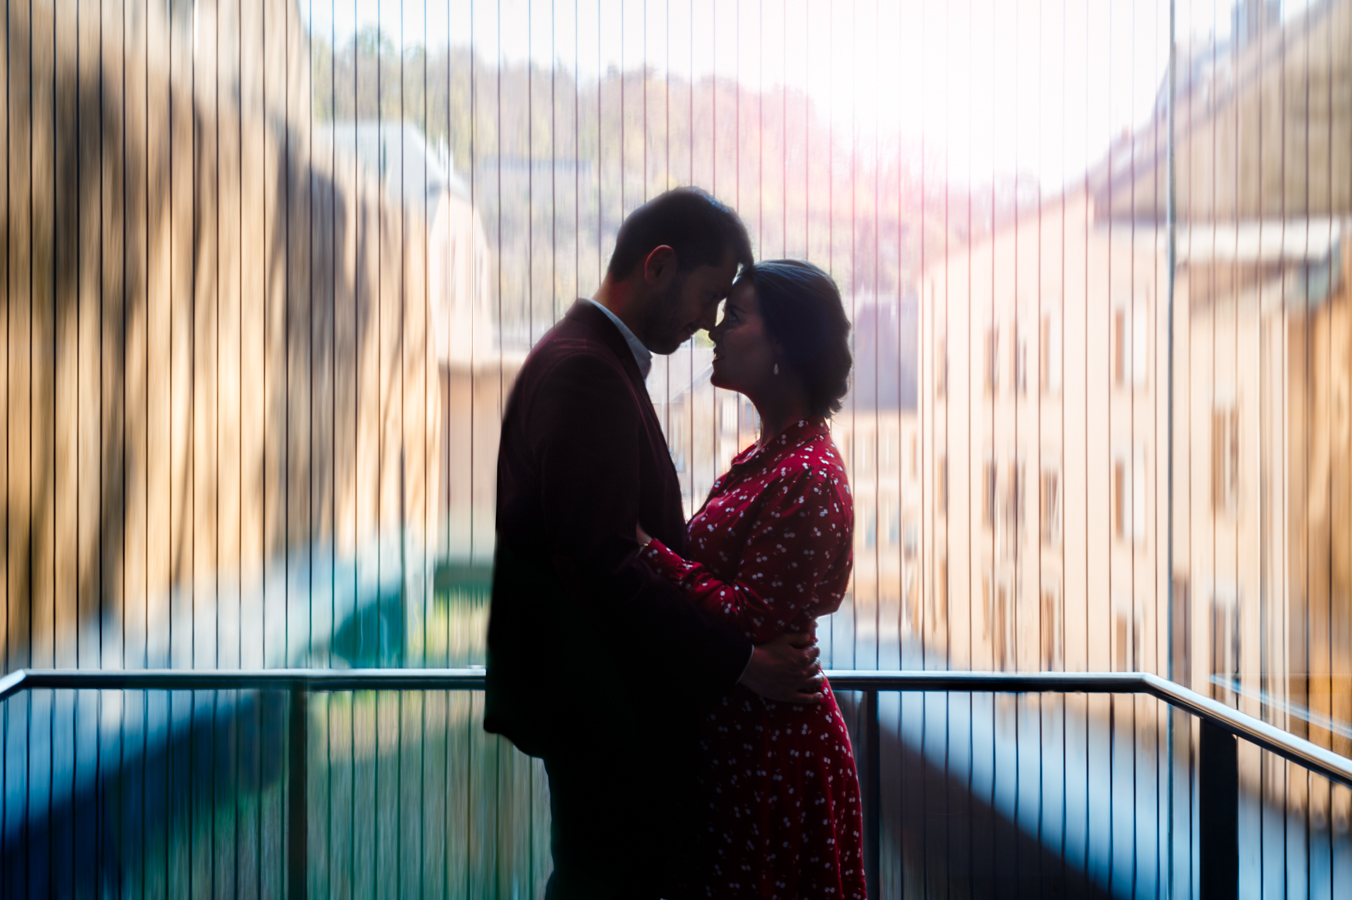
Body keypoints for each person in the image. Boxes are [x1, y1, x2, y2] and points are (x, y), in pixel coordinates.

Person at [485, 188, 825, 899]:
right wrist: (744, 664)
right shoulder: (587, 372)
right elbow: (606, 566)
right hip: (607, 719)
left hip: (601, 714)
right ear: (660, 266)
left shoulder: (587, 359)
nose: (708, 323)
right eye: (708, 298)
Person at [637, 260, 867, 898]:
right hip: (743, 745)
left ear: (785, 346)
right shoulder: (767, 457)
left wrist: (643, 551)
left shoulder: (807, 475)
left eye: (734, 316)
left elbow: (751, 616)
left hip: (773, 760)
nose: (714, 329)